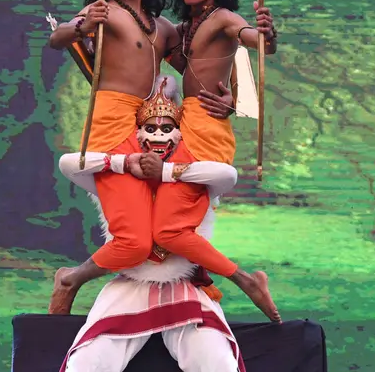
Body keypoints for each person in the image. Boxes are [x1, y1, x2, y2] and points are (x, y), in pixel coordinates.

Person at [48, 0, 234, 314]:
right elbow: (59, 37)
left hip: (154, 132)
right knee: (134, 240)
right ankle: (70, 280)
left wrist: (230, 98)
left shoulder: (164, 28)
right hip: (113, 128)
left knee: (165, 230)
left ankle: (183, 292)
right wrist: (83, 25)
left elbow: (202, 67)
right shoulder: (103, 12)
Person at [57, 75, 250, 372]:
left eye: (167, 129)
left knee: (217, 365)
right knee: (87, 366)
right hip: (129, 286)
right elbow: (68, 163)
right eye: (150, 129)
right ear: (138, 134)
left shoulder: (199, 177)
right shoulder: (115, 179)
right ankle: (70, 280)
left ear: (180, 135)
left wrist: (169, 172)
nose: (158, 137)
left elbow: (227, 175)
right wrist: (123, 163)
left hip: (185, 287)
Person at [142, 0, 280, 318]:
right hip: (184, 125)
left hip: (207, 129)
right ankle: (195, 281)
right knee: (173, 222)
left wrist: (265, 32)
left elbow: (254, 40)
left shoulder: (222, 18)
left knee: (171, 227)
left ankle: (245, 281)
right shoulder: (185, 29)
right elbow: (159, 55)